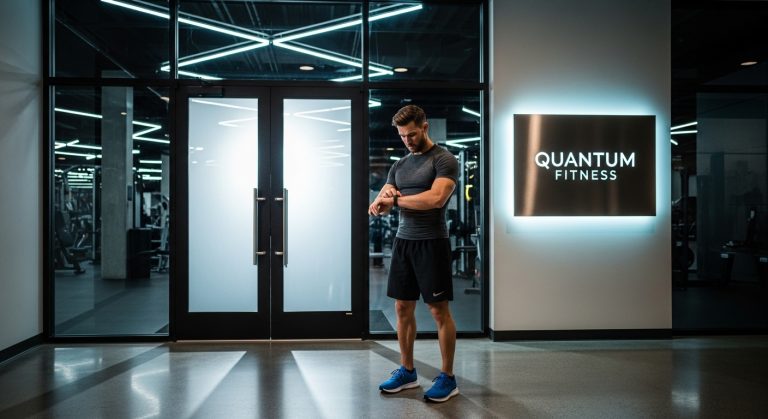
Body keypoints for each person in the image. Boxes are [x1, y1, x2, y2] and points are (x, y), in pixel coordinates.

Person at [368, 105, 460, 403]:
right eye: (402, 136)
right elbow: (381, 202)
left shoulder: (444, 160)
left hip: (432, 243)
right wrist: (381, 203)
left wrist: (397, 200)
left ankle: (448, 377)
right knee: (402, 308)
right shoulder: (399, 166)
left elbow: (436, 198)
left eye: (411, 134)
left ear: (425, 127)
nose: (407, 140)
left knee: (438, 311)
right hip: (403, 242)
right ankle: (407, 371)